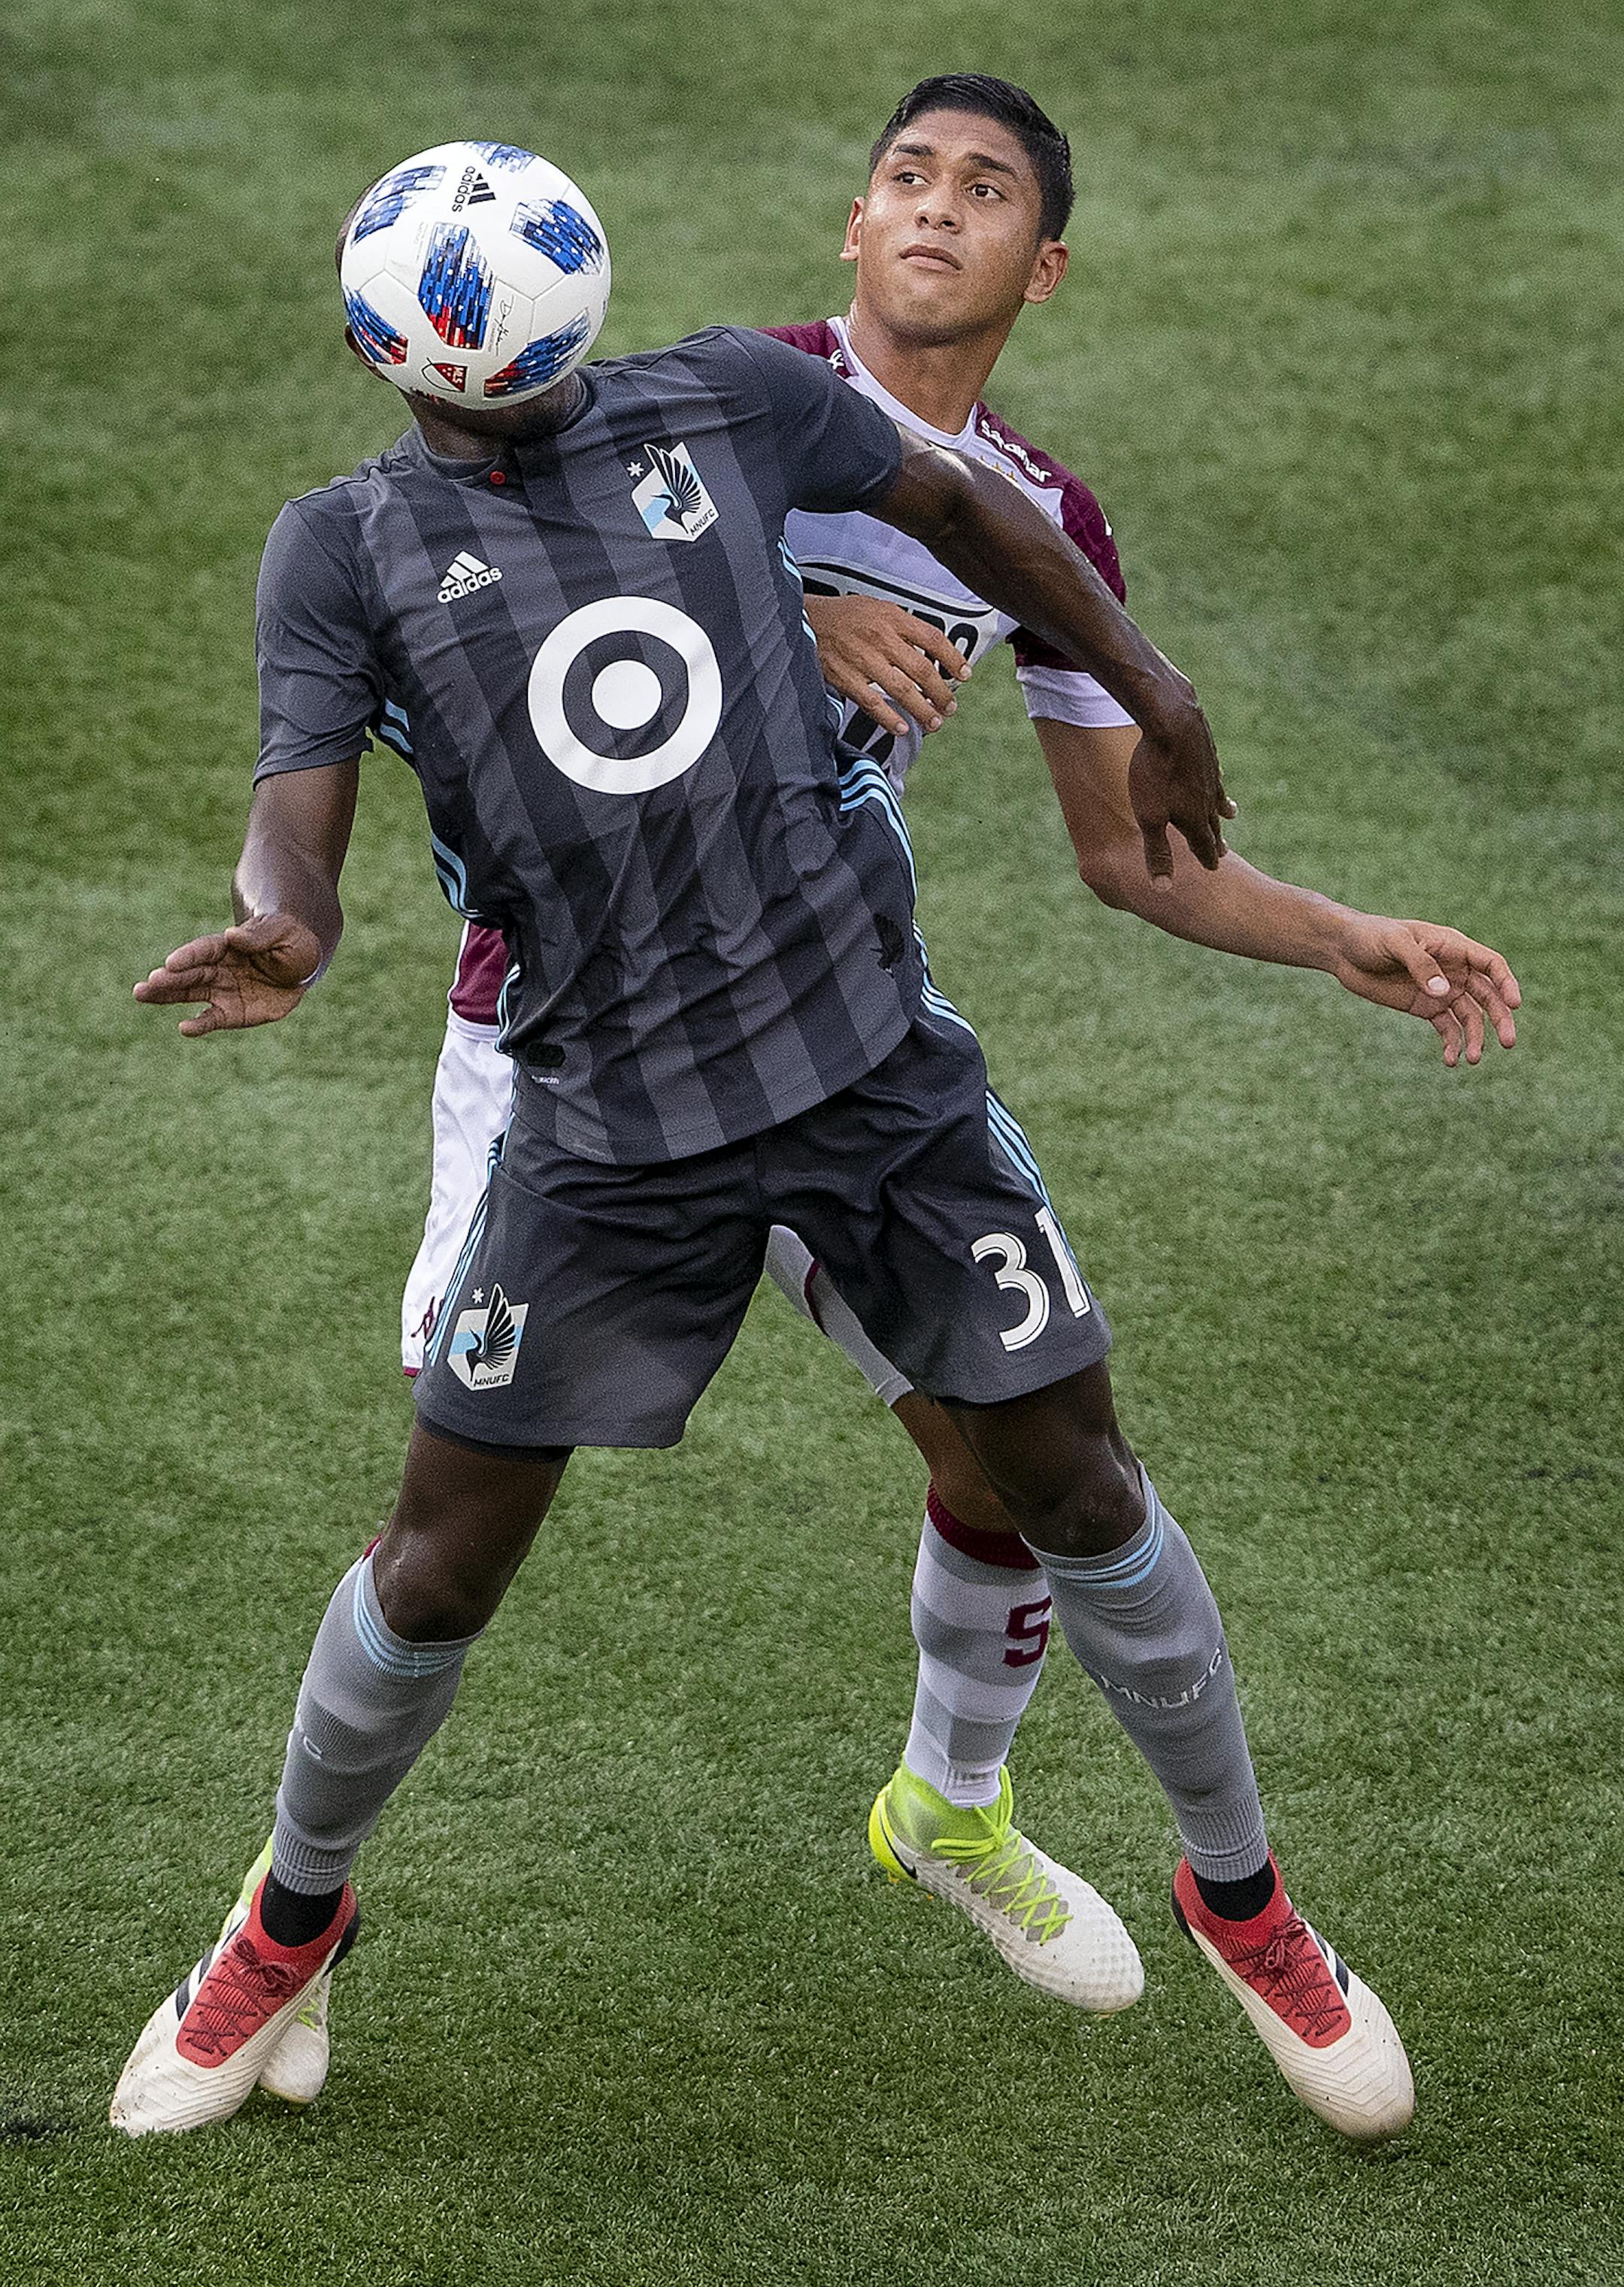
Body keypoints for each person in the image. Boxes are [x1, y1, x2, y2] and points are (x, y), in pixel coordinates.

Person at [111, 111, 1506, 2145]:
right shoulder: (369, 535)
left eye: (987, 189)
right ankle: (286, 1924)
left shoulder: (751, 412)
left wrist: (1157, 684)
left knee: (1058, 1466)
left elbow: (972, 525)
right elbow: (300, 804)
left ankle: (1218, 1890)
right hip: (588, 1101)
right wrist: (287, 928)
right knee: (440, 1552)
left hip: (864, 1072)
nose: (938, 209)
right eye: (911, 177)